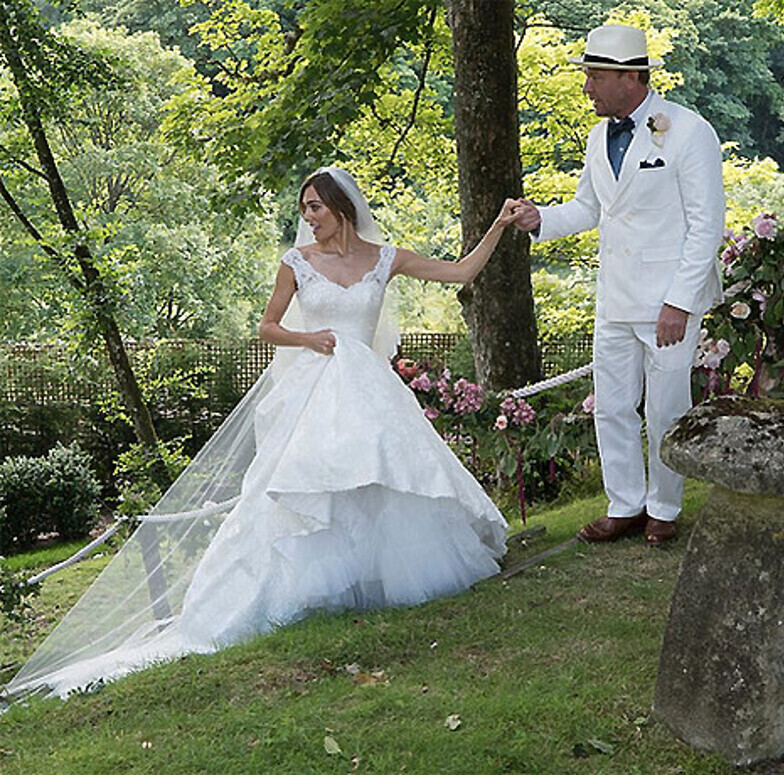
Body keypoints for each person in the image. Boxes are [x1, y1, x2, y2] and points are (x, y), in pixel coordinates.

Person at [3, 167, 524, 701]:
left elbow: (461, 273)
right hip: (315, 386)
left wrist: (500, 226)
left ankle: (378, 579)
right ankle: (299, 590)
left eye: (315, 207)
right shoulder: (296, 263)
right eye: (304, 209)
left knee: (383, 478)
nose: (308, 218)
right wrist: (309, 337)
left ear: (342, 208)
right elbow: (267, 327)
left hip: (370, 390)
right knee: (305, 486)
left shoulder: (384, 258)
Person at [515, 24, 725, 546]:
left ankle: (664, 507)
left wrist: (679, 301)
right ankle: (624, 504)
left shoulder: (688, 130)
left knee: (664, 407)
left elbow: (706, 225)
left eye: (594, 76)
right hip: (614, 297)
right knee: (610, 404)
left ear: (630, 77)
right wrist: (539, 218)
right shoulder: (595, 137)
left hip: (668, 302)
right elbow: (590, 206)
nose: (587, 86)